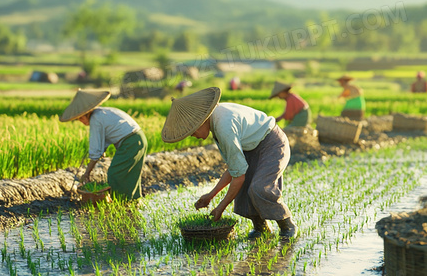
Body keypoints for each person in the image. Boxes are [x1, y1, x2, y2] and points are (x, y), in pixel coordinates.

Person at [161, 87, 297, 239]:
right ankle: (261, 227)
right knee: (243, 189)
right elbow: (234, 170)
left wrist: (220, 208)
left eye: (192, 131)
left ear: (201, 121)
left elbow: (238, 177)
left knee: (259, 187)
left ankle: (287, 224)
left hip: (271, 144)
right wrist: (210, 195)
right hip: (251, 147)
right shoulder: (215, 121)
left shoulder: (224, 126)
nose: (194, 136)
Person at [60, 89, 148, 201]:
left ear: (87, 113)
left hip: (130, 142)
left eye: (81, 117)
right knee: (129, 173)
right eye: (78, 119)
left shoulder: (96, 119)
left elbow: (95, 151)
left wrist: (86, 173)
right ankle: (132, 201)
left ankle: (120, 202)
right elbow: (104, 141)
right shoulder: (103, 113)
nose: (81, 121)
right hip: (139, 138)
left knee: (115, 174)